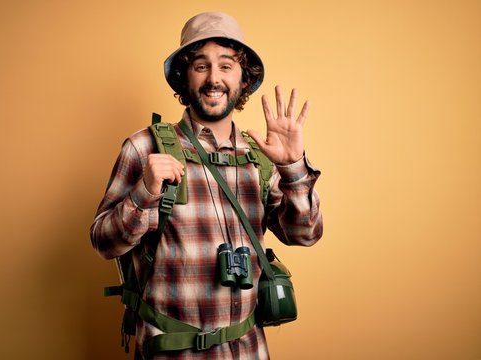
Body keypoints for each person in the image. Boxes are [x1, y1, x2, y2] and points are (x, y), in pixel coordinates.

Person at [90, 11, 323, 359]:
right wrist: (145, 194)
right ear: (185, 77)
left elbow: (305, 234)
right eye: (201, 65)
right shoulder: (144, 148)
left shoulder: (260, 157)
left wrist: (291, 167)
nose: (214, 78)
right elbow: (103, 242)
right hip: (172, 351)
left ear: (244, 78)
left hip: (249, 350)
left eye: (227, 65)